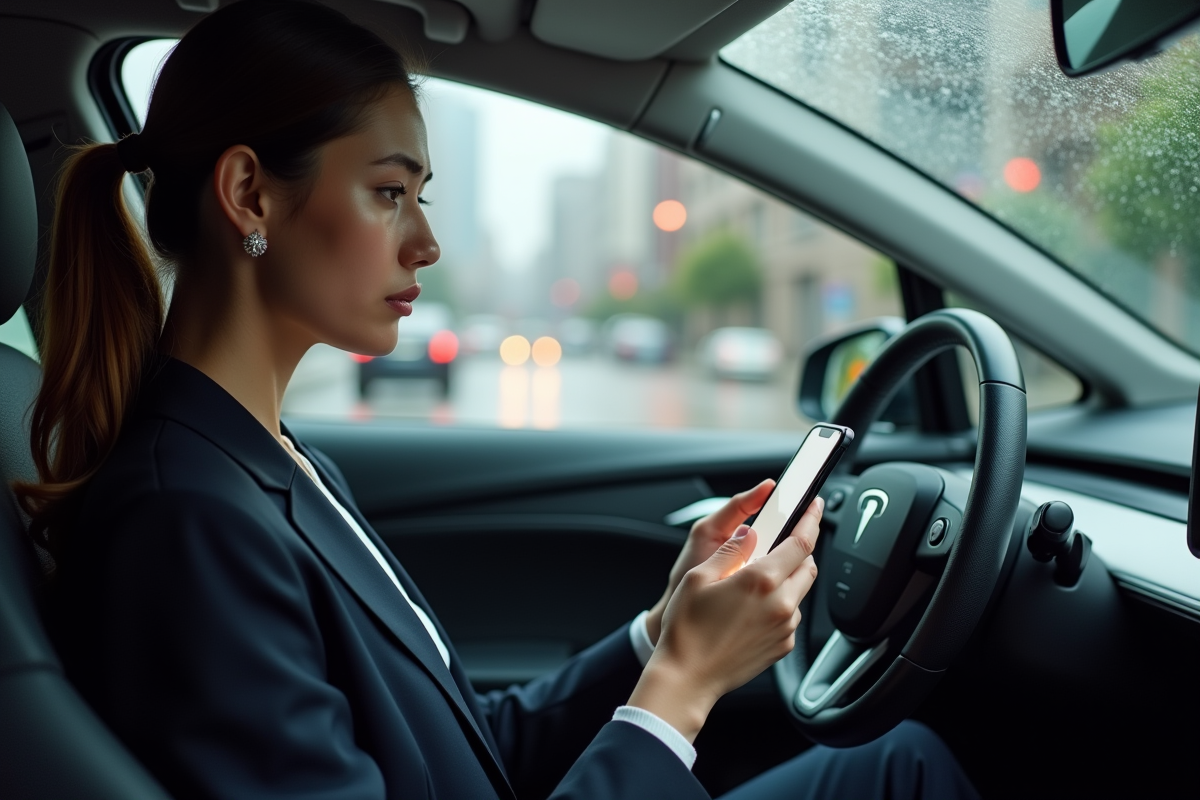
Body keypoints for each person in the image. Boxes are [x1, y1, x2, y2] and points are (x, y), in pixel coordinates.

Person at [15, 2, 980, 798]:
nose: (426, 244)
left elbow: (466, 750)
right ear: (250, 196)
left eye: (422, 197)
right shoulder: (187, 516)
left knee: (900, 765)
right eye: (391, 192)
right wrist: (680, 690)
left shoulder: (267, 458)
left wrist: (663, 628)